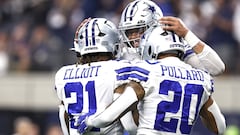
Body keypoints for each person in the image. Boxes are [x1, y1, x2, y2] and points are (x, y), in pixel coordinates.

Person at [77, 26, 226, 135]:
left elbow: (109, 117)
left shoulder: (147, 70)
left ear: (151, 46)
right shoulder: (201, 79)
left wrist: (89, 121)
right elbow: (220, 127)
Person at [54, 17, 132, 135]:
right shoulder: (119, 68)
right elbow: (129, 124)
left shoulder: (62, 74)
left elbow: (64, 114)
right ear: (113, 45)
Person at [118, 0, 225, 76]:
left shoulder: (170, 45)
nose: (133, 37)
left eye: (139, 30)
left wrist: (187, 34)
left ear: (155, 26)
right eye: (129, 32)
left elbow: (217, 68)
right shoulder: (125, 53)